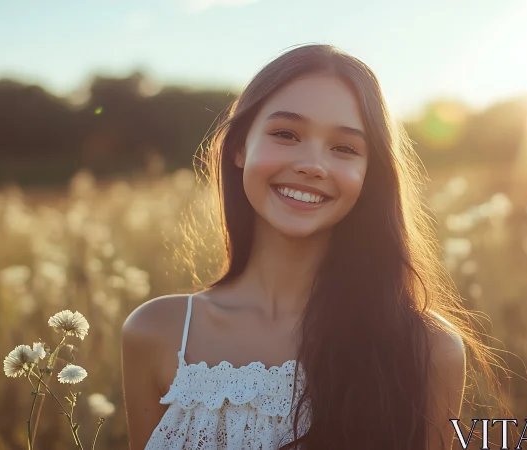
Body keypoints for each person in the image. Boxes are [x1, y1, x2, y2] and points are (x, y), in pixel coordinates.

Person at [121, 43, 499, 449]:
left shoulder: (428, 349)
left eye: (345, 148)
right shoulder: (156, 332)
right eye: (286, 134)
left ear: (370, 175)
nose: (312, 165)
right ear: (238, 148)